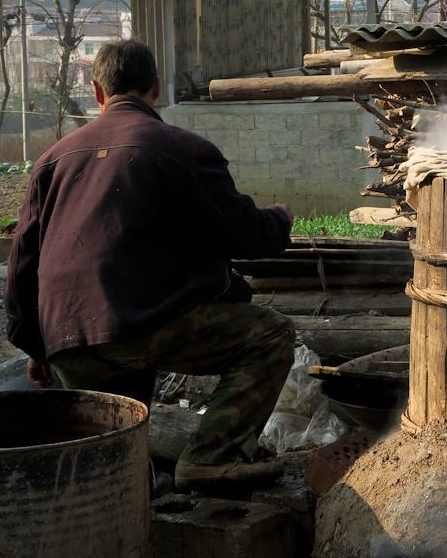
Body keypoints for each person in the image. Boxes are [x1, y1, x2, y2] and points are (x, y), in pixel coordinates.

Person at [4, 39, 296, 490]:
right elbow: (244, 234)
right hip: (147, 326)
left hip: (68, 336)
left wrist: (34, 345)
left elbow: (22, 261)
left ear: (98, 93)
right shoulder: (180, 149)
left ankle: (128, 496)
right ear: (155, 88)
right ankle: (212, 457)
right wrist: (279, 219)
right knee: (271, 334)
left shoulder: (50, 161)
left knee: (119, 447)